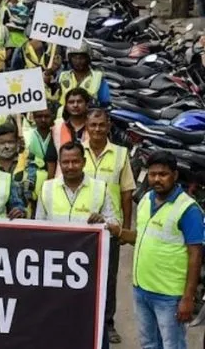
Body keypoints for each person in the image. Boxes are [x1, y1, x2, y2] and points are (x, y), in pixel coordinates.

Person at [106, 151, 203, 349]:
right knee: (149, 344)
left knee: (172, 345)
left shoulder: (188, 209)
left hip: (169, 295)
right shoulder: (146, 200)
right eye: (152, 174)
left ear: (175, 176)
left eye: (163, 174)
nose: (157, 179)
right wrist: (119, 232)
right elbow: (141, 236)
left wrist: (187, 298)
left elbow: (195, 255)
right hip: (142, 290)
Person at [84, 108, 134, 344]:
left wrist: (125, 227)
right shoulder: (76, 152)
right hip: (81, 227)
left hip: (109, 228)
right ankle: (81, 318)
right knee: (81, 276)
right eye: (93, 125)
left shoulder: (121, 154)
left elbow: (126, 193)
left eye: (101, 125)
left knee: (108, 277)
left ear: (108, 125)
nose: (96, 129)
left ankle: (107, 323)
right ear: (86, 125)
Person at [36, 141, 117, 225]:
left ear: (84, 162)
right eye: (65, 162)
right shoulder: (46, 188)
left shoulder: (101, 188)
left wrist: (103, 221)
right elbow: (39, 224)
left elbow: (114, 223)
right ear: (59, 163)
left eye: (75, 162)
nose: (70, 167)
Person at [59, 42, 110, 108]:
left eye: (81, 58)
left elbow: (105, 103)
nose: (78, 61)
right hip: (64, 117)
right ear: (69, 59)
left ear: (88, 58)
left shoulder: (97, 78)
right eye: (74, 58)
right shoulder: (63, 76)